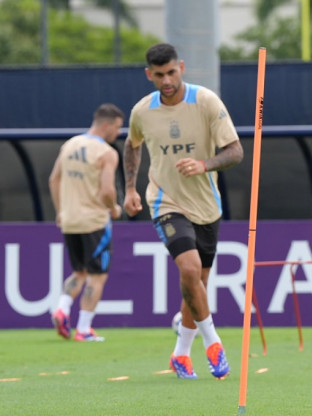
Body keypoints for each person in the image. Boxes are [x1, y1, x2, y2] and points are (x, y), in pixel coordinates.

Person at [123, 43, 243, 380]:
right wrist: (130, 189)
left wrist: (204, 164)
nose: (166, 80)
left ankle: (179, 354)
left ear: (182, 68)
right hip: (165, 202)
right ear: (149, 75)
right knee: (189, 270)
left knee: (197, 284)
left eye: (171, 72)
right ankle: (213, 343)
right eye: (159, 75)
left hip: (206, 205)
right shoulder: (142, 111)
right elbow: (131, 147)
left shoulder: (205, 102)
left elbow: (235, 152)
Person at [49, 103, 125, 342]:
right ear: (106, 125)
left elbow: (54, 179)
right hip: (94, 221)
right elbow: (106, 190)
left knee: (79, 272)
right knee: (97, 276)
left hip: (70, 219)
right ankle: (83, 329)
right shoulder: (106, 153)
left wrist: (61, 211)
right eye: (117, 128)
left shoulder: (70, 144)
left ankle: (61, 308)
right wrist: (113, 208)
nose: (117, 133)